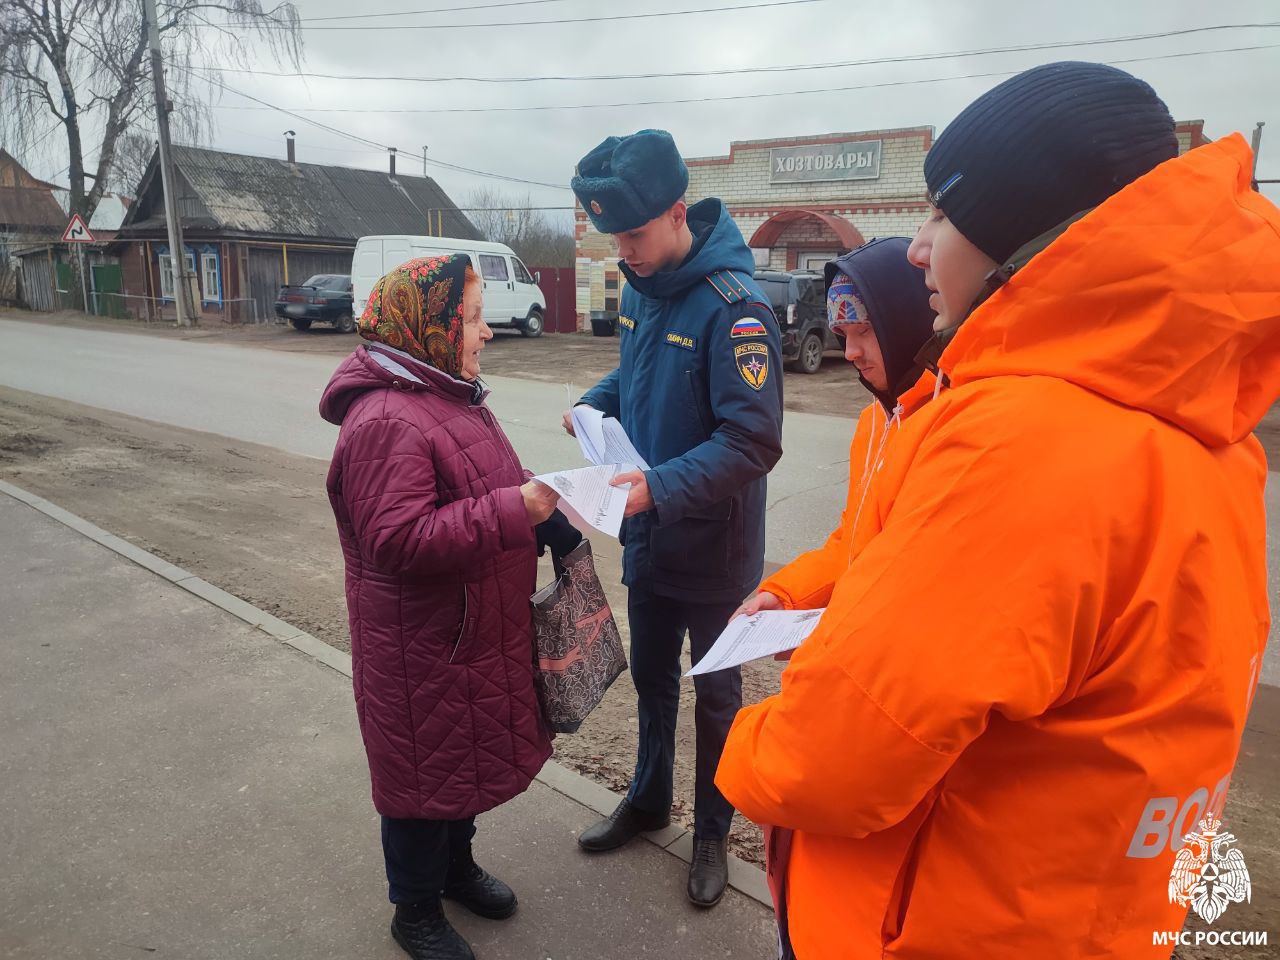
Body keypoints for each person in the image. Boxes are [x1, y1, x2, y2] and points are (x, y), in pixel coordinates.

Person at [716, 61, 1280, 959]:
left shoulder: (1023, 439)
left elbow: (837, 758)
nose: (915, 246)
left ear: (1027, 237)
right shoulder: (1213, 436)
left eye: (943, 214)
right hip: (1090, 913)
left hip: (937, 923)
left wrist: (744, 746)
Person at [319, 254, 566, 960]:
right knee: (420, 778)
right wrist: (511, 511)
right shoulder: (387, 418)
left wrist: (544, 508)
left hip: (465, 633)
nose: (486, 333)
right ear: (428, 324)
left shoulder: (445, 392)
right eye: (473, 318)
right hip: (419, 644)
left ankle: (456, 874)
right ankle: (415, 912)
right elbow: (396, 540)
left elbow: (487, 482)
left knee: (460, 766)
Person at [564, 128, 784, 907]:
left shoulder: (737, 308)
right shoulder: (642, 285)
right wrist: (595, 403)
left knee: (716, 699)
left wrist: (657, 488)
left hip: (714, 550)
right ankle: (649, 799)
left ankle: (714, 835)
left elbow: (753, 440)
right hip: (648, 535)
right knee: (653, 682)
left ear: (678, 212)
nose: (624, 250)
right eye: (613, 235)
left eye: (633, 233)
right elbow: (637, 374)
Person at [732, 236, 936, 625]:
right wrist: (788, 596)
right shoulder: (875, 420)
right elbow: (854, 541)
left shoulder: (952, 419)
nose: (850, 353)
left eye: (865, 331)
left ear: (909, 320)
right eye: (842, 335)